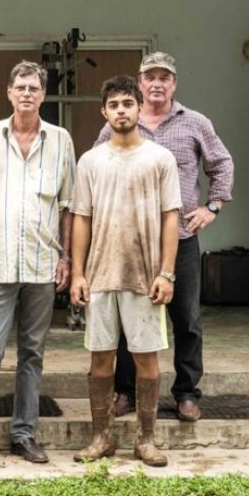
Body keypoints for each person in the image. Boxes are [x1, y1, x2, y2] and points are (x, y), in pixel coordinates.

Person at [95, 52, 234, 422]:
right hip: (130, 242)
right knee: (127, 321)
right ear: (140, 83)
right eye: (149, 77)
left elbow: (221, 164)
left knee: (186, 318)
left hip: (182, 239)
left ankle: (187, 393)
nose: (156, 84)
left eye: (164, 78)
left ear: (174, 84)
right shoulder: (118, 121)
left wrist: (212, 206)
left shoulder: (195, 123)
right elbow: (97, 171)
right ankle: (125, 392)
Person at [0, 61, 76, 464]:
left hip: (43, 264)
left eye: (34, 88)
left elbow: (68, 206)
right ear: (9, 92)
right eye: (20, 87)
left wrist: (68, 257)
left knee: (33, 352)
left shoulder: (60, 140)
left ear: (43, 95)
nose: (27, 93)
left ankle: (24, 433)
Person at [71, 75, 181, 467]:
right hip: (100, 276)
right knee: (100, 361)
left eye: (127, 104)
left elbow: (172, 218)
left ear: (139, 109)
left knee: (146, 361)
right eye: (114, 104)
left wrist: (166, 273)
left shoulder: (159, 159)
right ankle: (102, 437)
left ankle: (146, 440)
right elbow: (80, 218)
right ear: (104, 112)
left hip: (143, 277)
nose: (121, 110)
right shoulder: (91, 160)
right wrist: (78, 273)